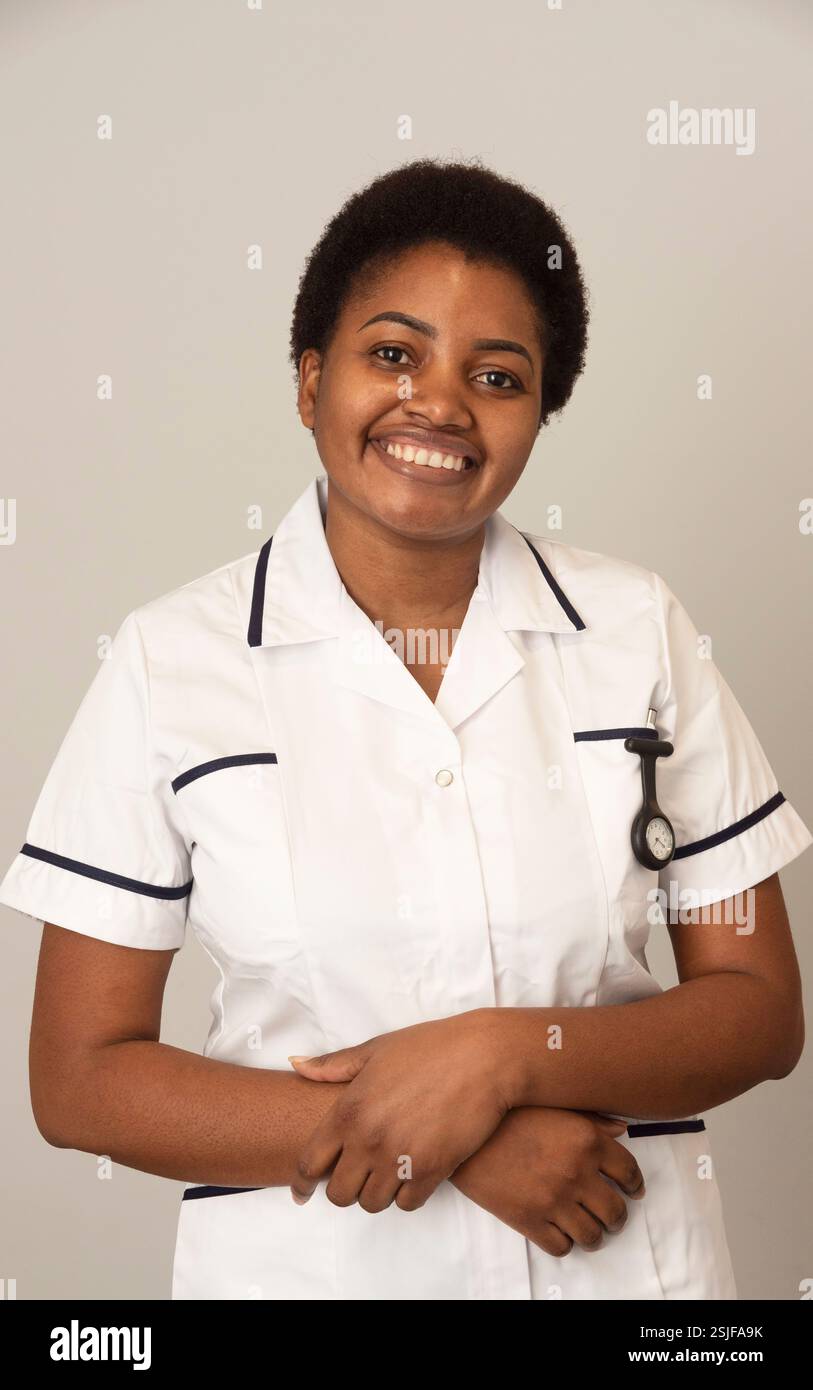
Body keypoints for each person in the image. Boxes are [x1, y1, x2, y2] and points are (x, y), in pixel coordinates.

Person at [1, 158, 810, 1301]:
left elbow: (761, 1011)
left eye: (498, 374)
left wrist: (504, 1055)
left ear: (541, 413)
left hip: (626, 1281)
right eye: (393, 353)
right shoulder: (168, 661)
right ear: (309, 378)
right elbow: (81, 1080)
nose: (438, 402)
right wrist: (458, 1134)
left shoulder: (640, 631)